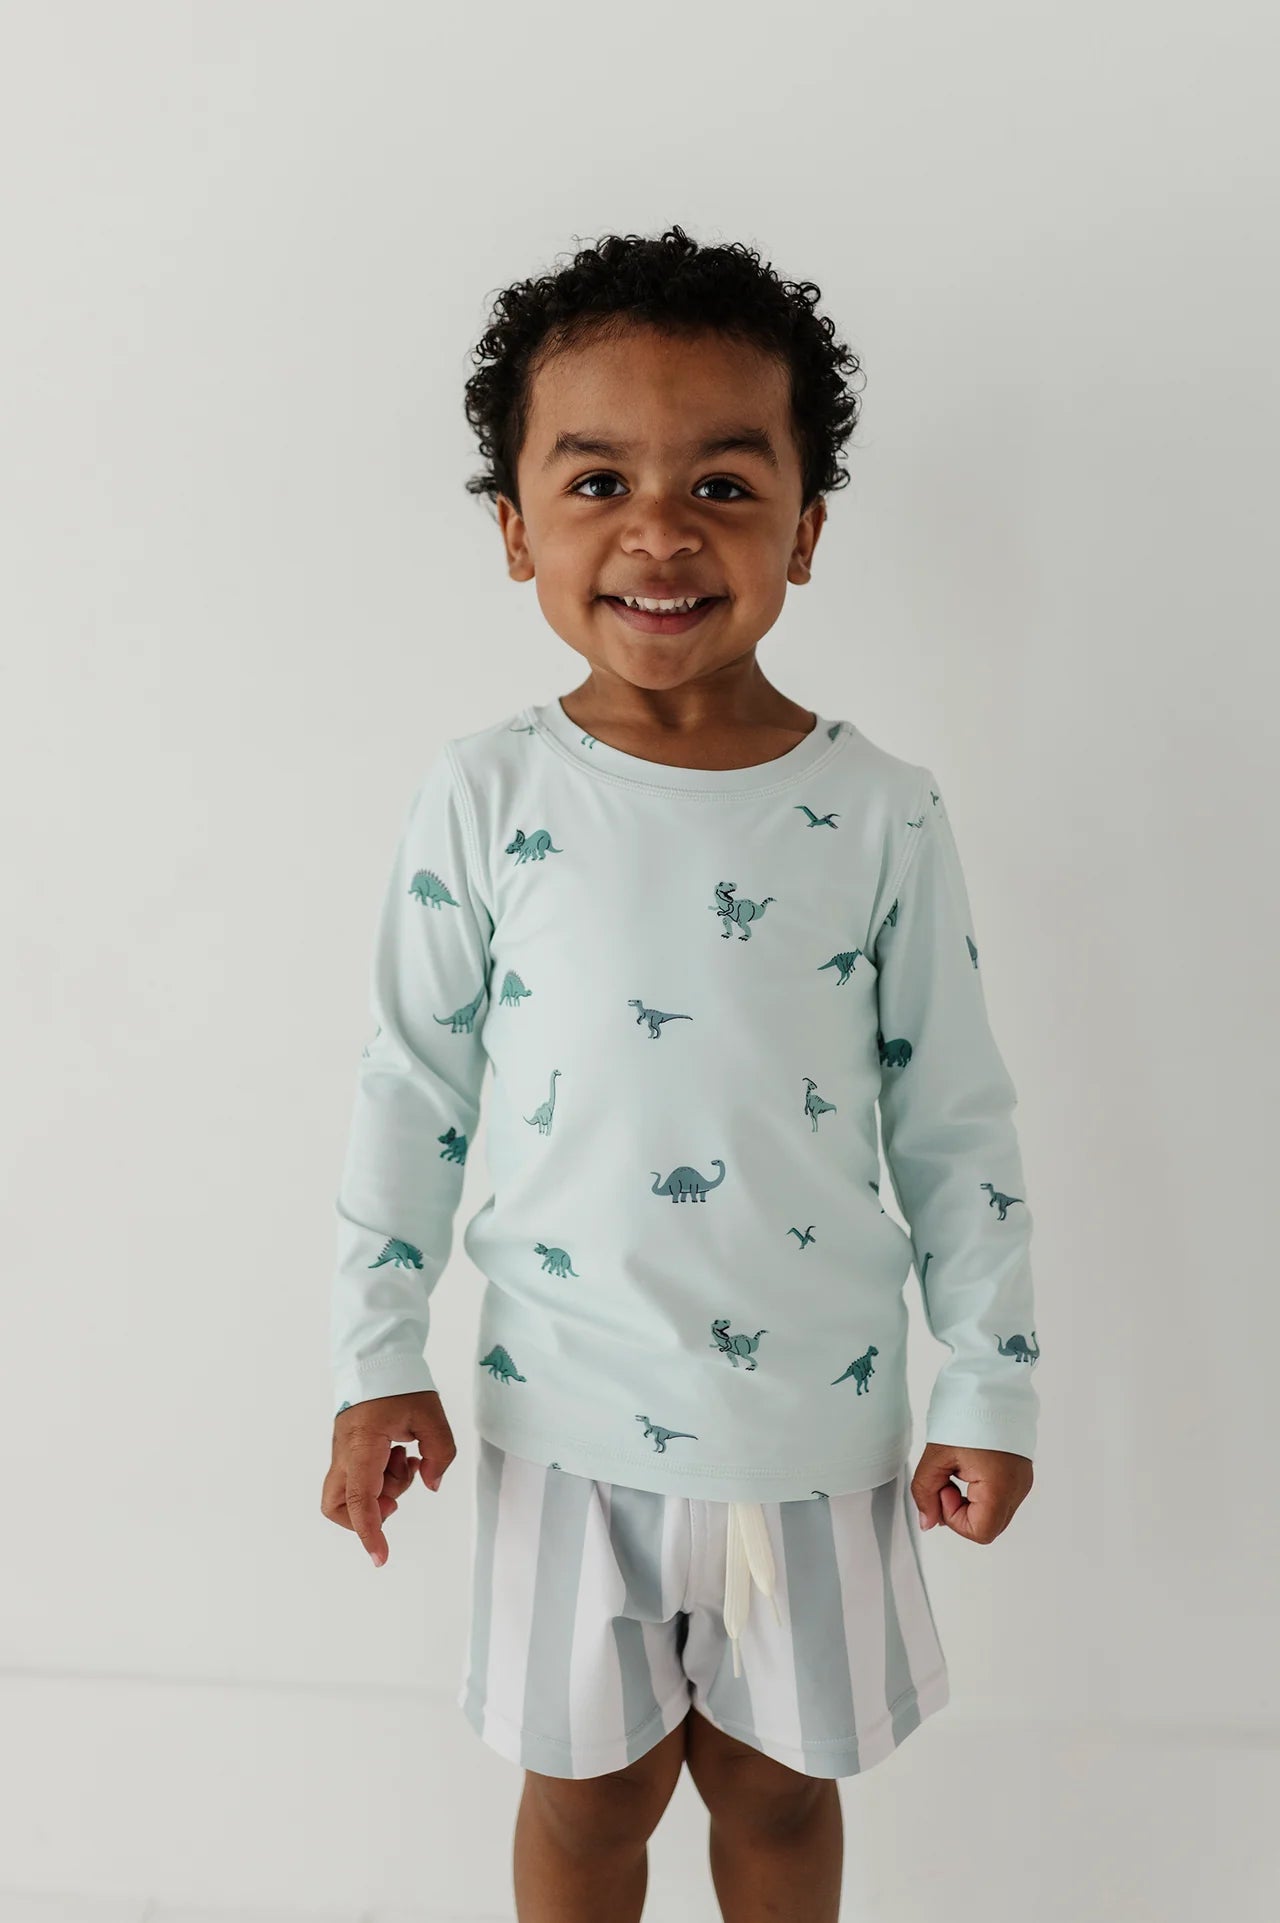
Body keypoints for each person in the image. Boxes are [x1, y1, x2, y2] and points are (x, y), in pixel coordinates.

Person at [320, 224, 1039, 1923]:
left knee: (780, 1793)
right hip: (567, 1421)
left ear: (806, 526)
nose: (659, 530)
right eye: (597, 483)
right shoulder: (486, 796)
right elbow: (413, 1086)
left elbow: (955, 1118)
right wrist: (376, 1356)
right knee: (587, 1802)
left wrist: (991, 1384)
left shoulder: (881, 814)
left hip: (815, 1428)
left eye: (722, 482)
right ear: (516, 527)